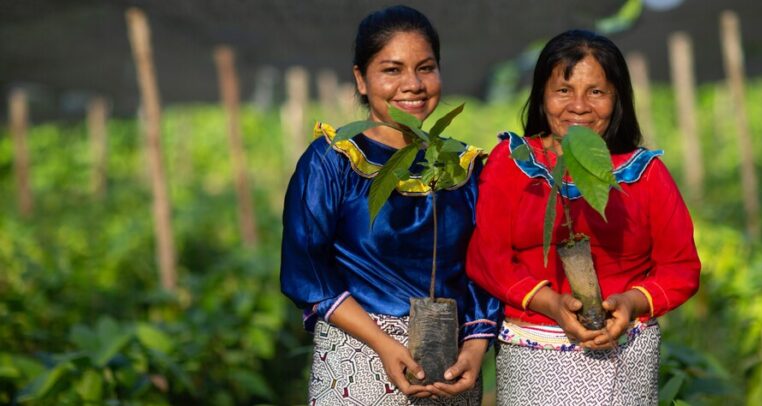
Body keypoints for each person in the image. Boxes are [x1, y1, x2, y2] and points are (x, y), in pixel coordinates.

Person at [466, 29, 701, 404]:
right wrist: (552, 304)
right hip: (535, 354)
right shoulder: (513, 163)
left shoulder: (645, 174)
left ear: (617, 99)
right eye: (563, 90)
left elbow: (680, 267)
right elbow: (487, 258)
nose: (579, 106)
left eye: (597, 92)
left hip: (624, 350)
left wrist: (630, 303)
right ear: (542, 97)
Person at [280, 5, 500, 405]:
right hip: (359, 356)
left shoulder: (462, 168)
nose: (412, 84)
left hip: (449, 369)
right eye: (392, 70)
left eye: (426, 67)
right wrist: (382, 342)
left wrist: (474, 348)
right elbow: (307, 269)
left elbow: (485, 266)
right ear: (361, 80)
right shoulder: (333, 162)